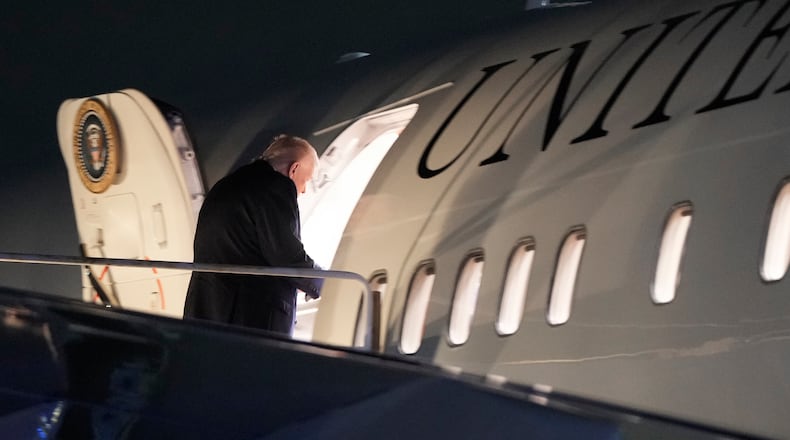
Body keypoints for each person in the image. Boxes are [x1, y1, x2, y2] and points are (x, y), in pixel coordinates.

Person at [184, 134, 322, 335]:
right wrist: (321, 282)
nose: (304, 190)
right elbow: (285, 255)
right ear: (294, 169)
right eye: (306, 180)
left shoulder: (227, 184)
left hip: (207, 308)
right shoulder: (276, 186)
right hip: (251, 317)